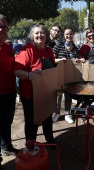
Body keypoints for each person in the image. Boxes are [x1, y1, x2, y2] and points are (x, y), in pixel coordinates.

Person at [14, 23, 56, 144]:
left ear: (46, 35)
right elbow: (17, 71)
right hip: (30, 94)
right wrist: (29, 75)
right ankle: (30, 146)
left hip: (47, 93)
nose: (40, 35)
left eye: (42, 32)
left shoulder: (49, 51)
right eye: (37, 33)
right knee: (32, 122)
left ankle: (50, 141)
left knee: (48, 117)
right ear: (32, 36)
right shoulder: (27, 49)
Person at [53, 27, 83, 124]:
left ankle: (67, 113)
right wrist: (60, 60)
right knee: (58, 95)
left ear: (73, 35)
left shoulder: (76, 47)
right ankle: (56, 113)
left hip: (71, 75)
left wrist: (79, 60)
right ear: (64, 35)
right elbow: (52, 59)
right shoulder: (59, 45)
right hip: (59, 74)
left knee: (68, 95)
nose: (69, 36)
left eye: (70, 34)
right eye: (67, 34)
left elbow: (79, 59)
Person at [0, 14, 19, 158]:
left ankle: (6, 146)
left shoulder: (8, 47)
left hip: (10, 92)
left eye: (4, 27)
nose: (1, 30)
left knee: (7, 122)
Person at [48, 25, 63, 122]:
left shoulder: (59, 43)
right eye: (54, 30)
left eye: (58, 31)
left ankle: (57, 112)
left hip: (57, 70)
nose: (56, 33)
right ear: (50, 30)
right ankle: (47, 113)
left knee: (58, 93)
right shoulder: (44, 41)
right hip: (45, 71)